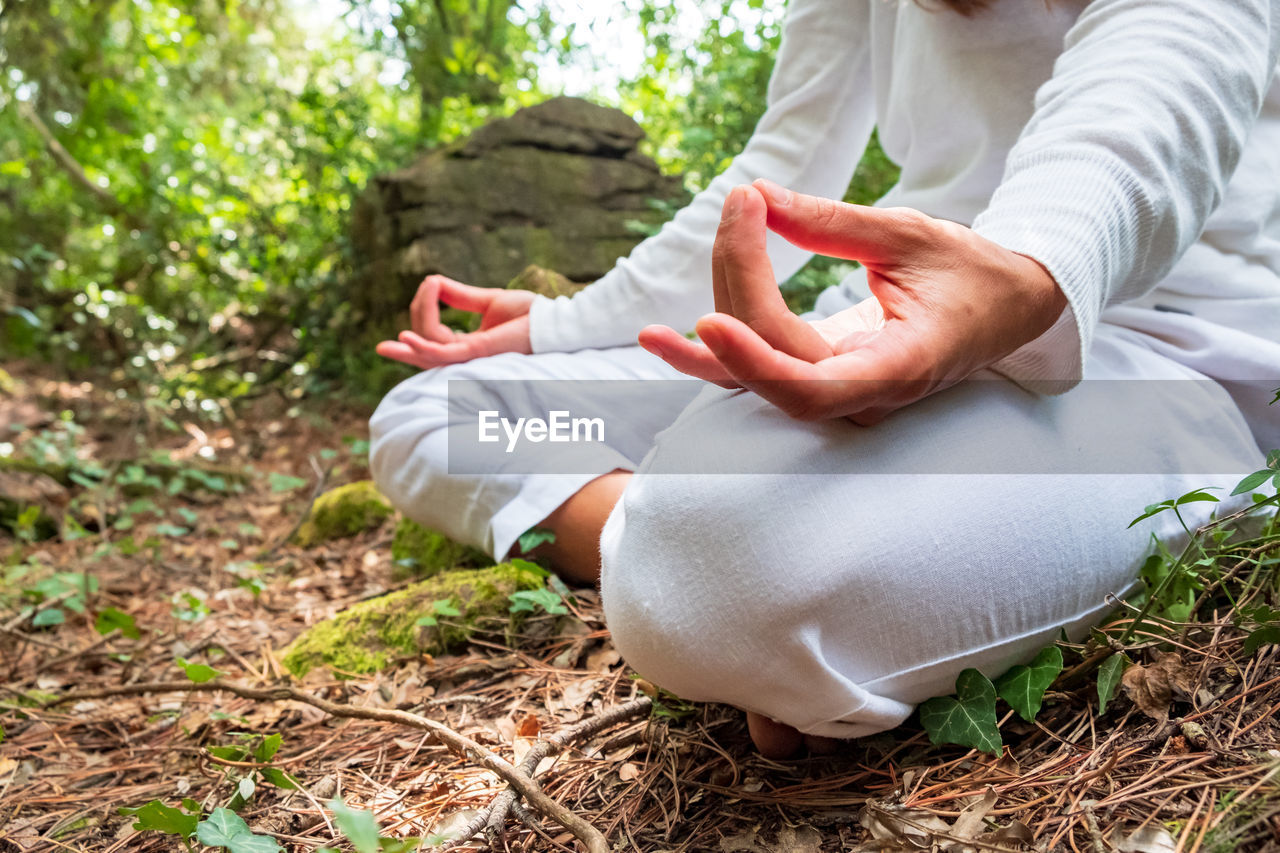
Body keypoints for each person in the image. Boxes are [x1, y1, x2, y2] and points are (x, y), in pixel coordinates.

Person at [369, 0, 1280, 757]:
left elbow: (1176, 45)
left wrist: (1028, 266)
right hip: (883, 319)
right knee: (444, 412)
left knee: (723, 562)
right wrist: (562, 325)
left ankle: (735, 557)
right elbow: (776, 171)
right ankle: (692, 546)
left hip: (1158, 347)